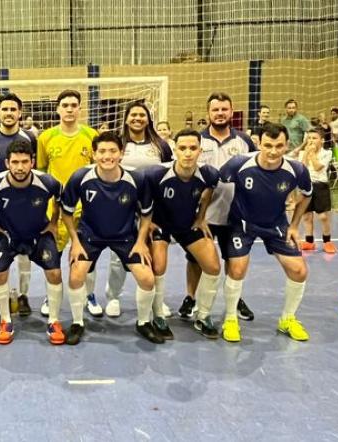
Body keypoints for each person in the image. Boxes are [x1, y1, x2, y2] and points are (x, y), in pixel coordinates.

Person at [61, 130, 159, 344]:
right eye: (102, 151)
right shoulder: (81, 177)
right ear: (94, 155)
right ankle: (78, 322)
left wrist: (141, 242)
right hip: (90, 235)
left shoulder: (136, 178)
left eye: (113, 151)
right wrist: (75, 243)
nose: (108, 156)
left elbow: (146, 212)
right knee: (76, 275)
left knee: (147, 278)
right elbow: (66, 212)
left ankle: (144, 322)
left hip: (125, 236)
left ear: (121, 153)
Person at [218, 123, 312, 342]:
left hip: (276, 225)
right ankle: (231, 318)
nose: (273, 151)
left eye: (279, 146)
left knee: (299, 271)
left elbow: (306, 194)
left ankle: (287, 319)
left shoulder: (296, 170)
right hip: (241, 224)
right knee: (238, 268)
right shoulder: (239, 164)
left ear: (287, 145)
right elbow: (218, 187)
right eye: (268, 145)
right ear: (258, 142)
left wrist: (295, 225)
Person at [182, 92, 256, 322]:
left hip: (235, 214)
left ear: (231, 111)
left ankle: (235, 298)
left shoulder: (244, 141)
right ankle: (191, 297)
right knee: (196, 260)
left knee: (234, 260)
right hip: (202, 215)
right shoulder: (197, 142)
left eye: (224, 109)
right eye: (216, 110)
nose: (220, 113)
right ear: (208, 113)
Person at [0, 140, 65, 344]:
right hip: (7, 234)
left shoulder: (47, 182)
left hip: (38, 232)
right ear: (7, 163)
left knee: (55, 273)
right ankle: (5, 321)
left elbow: (59, 198)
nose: (20, 167)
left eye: (25, 162)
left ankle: (54, 321)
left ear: (33, 162)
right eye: (15, 162)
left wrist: (54, 222)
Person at [144, 128, 222, 339]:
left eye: (193, 148)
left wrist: (201, 217)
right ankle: (158, 314)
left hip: (188, 225)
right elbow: (139, 200)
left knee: (213, 266)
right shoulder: (156, 174)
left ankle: (203, 316)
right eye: (183, 148)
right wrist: (147, 222)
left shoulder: (209, 174)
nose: (188, 153)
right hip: (161, 225)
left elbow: (209, 192)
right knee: (159, 266)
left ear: (200, 151)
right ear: (174, 150)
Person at [100, 102, 173, 319]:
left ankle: (156, 300)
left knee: (155, 255)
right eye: (133, 115)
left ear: (148, 119)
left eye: (142, 115)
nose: (137, 118)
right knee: (118, 256)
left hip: (153, 208)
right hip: (121, 207)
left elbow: (168, 176)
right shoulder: (118, 143)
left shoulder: (161, 146)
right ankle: (113, 296)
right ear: (126, 118)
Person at [36, 90, 97, 318]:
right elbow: (41, 172)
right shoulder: (46, 137)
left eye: (74, 105)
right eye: (65, 105)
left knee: (88, 254)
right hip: (57, 208)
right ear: (58, 109)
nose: (70, 109)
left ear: (80, 109)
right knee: (53, 254)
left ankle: (89, 295)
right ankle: (49, 295)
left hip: (86, 207)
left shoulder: (92, 135)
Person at [0, 93, 37, 316]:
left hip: (24, 203)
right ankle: (3, 296)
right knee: (1, 250)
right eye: (5, 109)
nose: (9, 113)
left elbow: (36, 168)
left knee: (24, 253)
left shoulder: (30, 138)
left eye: (13, 109)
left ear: (20, 113)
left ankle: (23, 296)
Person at [299, 128, 337, 254]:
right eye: (309, 138)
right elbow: (302, 168)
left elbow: (317, 167)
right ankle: (309, 242)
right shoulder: (303, 152)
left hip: (320, 186)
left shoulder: (327, 153)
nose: (311, 141)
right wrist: (306, 153)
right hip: (306, 185)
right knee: (306, 216)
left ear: (322, 140)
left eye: (314, 138)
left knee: (323, 216)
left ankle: (327, 242)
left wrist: (312, 154)